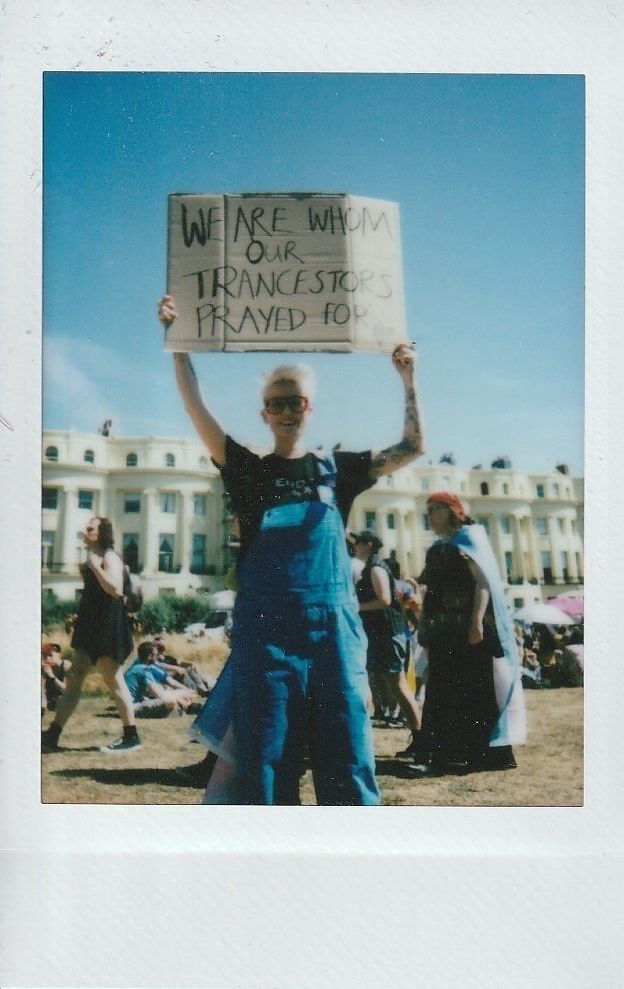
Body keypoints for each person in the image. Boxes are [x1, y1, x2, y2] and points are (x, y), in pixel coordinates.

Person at [158, 294, 424, 805]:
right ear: (264, 413)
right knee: (264, 753)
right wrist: (176, 342)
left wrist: (408, 378)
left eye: (294, 400)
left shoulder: (340, 470)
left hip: (335, 633)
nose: (285, 409)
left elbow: (412, 447)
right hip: (268, 633)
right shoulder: (248, 472)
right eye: (276, 402)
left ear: (309, 408)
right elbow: (195, 405)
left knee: (347, 747)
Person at [407, 492, 526, 777]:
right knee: (441, 692)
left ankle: (483, 755)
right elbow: (429, 587)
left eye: (435, 509)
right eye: (428, 510)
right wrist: (418, 608)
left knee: (474, 692)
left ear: (452, 511)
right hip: (443, 631)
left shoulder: (469, 539)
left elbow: (482, 582)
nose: (430, 515)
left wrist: (476, 622)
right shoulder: (438, 548)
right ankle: (443, 755)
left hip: (468, 631)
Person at [41, 517, 141, 753]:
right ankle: (52, 735)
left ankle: (132, 736)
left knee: (113, 680)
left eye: (91, 528)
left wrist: (95, 567)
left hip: (107, 627)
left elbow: (116, 589)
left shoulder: (109, 557)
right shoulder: (94, 558)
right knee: (75, 677)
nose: (85, 531)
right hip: (91, 626)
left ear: (102, 533)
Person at [354, 531, 422, 751]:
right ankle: (420, 737)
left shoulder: (375, 568)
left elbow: (384, 600)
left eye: (358, 543)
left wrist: (357, 606)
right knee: (395, 687)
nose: (355, 546)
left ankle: (421, 738)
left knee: (399, 686)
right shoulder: (372, 567)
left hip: (387, 634)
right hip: (382, 634)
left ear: (369, 545)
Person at [125, 641, 197, 717]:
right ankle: (186, 709)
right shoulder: (143, 670)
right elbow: (158, 694)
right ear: (149, 656)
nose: (158, 657)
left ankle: (181, 709)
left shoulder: (139, 666)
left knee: (178, 694)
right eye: (156, 655)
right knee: (170, 701)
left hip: (138, 702)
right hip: (133, 707)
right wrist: (181, 700)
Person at [41, 642, 71, 715]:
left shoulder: (66, 665)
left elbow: (66, 690)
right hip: (50, 698)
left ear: (59, 655)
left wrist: (51, 676)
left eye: (51, 655)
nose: (48, 658)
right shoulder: (45, 667)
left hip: (63, 698)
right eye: (45, 655)